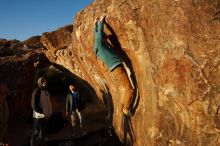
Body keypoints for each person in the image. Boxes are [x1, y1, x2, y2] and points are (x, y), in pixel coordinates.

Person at [93, 15, 134, 116]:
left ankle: (124, 108)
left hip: (115, 69)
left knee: (126, 88)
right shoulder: (100, 45)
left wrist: (95, 26)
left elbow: (97, 35)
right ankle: (126, 108)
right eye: (106, 40)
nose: (107, 42)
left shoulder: (99, 48)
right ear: (102, 40)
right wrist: (101, 21)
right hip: (118, 69)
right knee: (130, 89)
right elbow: (98, 36)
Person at [31, 77, 52, 146]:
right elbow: (33, 105)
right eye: (43, 81)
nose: (44, 82)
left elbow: (48, 103)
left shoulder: (46, 92)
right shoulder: (37, 91)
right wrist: (41, 112)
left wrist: (49, 113)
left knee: (42, 132)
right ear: (39, 82)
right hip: (38, 116)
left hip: (45, 115)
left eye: (45, 81)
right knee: (36, 132)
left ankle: (41, 144)